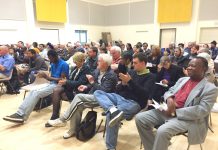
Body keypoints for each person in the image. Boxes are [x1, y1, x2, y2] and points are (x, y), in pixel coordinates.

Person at [135, 57, 218, 150]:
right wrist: (169, 98)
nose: (189, 68)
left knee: (163, 131)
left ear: (204, 69)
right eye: (189, 65)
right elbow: (169, 91)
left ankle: (159, 145)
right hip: (167, 111)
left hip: (188, 119)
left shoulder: (210, 88)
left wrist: (176, 112)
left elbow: (203, 110)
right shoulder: (182, 80)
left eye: (193, 66)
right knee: (140, 118)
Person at [93, 52, 155, 150]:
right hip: (120, 98)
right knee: (98, 92)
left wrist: (130, 82)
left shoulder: (151, 76)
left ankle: (110, 147)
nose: (133, 65)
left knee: (111, 115)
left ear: (143, 63)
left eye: (135, 63)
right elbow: (118, 89)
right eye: (133, 63)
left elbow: (144, 94)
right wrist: (123, 84)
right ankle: (113, 109)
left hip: (134, 103)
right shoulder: (132, 72)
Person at [47, 54, 118, 139]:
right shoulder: (97, 71)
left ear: (106, 63)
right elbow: (91, 84)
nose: (97, 63)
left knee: (78, 97)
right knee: (78, 105)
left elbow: (103, 91)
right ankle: (72, 130)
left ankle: (62, 119)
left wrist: (92, 83)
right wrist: (86, 86)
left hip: (103, 99)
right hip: (92, 95)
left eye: (99, 61)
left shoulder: (111, 75)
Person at [3, 50, 69, 124]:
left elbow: (62, 80)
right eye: (49, 58)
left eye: (51, 58)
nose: (50, 60)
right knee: (32, 91)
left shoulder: (64, 64)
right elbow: (52, 77)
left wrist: (47, 77)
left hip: (59, 86)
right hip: (51, 84)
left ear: (55, 56)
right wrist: (44, 76)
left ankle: (22, 116)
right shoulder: (53, 64)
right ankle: (19, 113)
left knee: (36, 93)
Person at [45, 52, 90, 127]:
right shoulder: (76, 68)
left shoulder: (86, 69)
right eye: (74, 61)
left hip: (77, 90)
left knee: (56, 92)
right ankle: (56, 116)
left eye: (76, 61)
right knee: (56, 91)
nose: (74, 62)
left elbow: (80, 82)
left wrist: (66, 82)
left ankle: (56, 116)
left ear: (82, 61)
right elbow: (70, 79)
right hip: (71, 88)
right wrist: (64, 81)